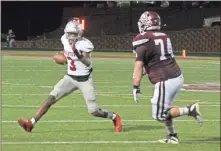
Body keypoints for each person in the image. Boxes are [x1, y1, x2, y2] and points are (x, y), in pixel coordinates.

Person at [17, 20, 123, 133]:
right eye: (70, 33)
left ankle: (114, 117)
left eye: (74, 34)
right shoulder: (64, 39)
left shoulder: (85, 44)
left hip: (84, 80)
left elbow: (87, 62)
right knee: (51, 98)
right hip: (70, 78)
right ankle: (31, 124)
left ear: (79, 33)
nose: (71, 36)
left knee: (93, 111)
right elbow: (66, 51)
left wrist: (75, 52)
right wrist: (61, 56)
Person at [132, 11, 202, 144]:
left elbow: (139, 65)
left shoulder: (142, 39)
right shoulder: (164, 36)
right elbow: (155, 59)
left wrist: (135, 85)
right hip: (176, 75)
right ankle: (172, 136)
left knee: (159, 114)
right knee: (165, 108)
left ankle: (190, 110)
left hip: (166, 79)